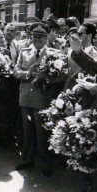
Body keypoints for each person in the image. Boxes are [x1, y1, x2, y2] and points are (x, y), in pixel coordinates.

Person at [14, 23, 64, 177]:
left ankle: (44, 163)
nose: (38, 39)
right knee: (27, 130)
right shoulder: (24, 51)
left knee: (42, 132)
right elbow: (16, 71)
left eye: (41, 37)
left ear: (47, 38)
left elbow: (61, 76)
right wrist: (28, 73)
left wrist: (47, 79)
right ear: (31, 37)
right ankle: (27, 159)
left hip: (43, 97)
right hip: (26, 96)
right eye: (35, 36)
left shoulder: (54, 54)